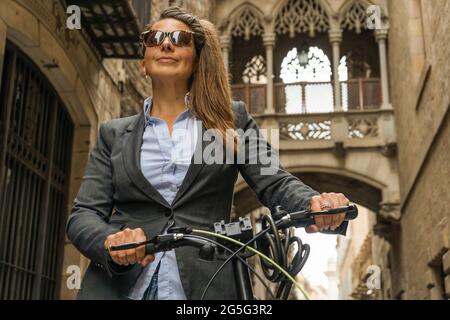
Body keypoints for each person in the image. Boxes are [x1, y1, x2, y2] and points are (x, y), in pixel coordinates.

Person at [66, 6, 351, 300]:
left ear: (197, 60)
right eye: (155, 38)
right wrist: (109, 242)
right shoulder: (113, 134)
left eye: (180, 38)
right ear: (143, 63)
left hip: (208, 287)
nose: (166, 43)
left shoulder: (232, 121)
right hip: (120, 289)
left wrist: (316, 203)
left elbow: (274, 180)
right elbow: (83, 215)